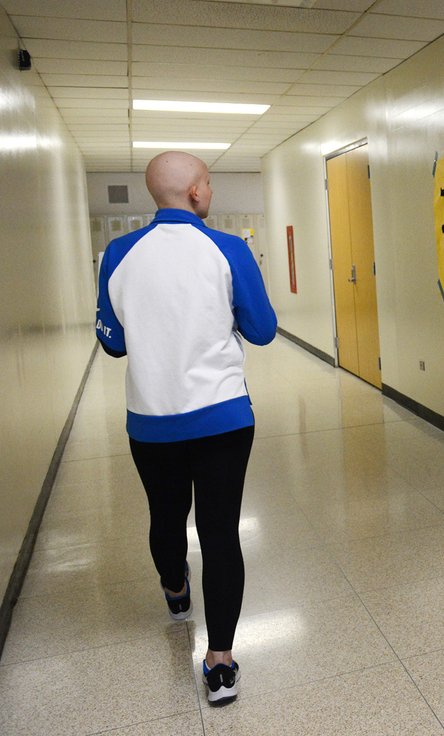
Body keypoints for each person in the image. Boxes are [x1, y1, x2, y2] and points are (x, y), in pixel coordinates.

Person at [95, 151, 277, 705]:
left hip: (151, 423)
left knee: (166, 514)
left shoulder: (118, 254)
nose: (210, 193)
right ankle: (220, 664)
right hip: (223, 419)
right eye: (209, 185)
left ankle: (177, 592)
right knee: (220, 532)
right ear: (197, 193)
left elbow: (112, 341)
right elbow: (263, 330)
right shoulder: (228, 249)